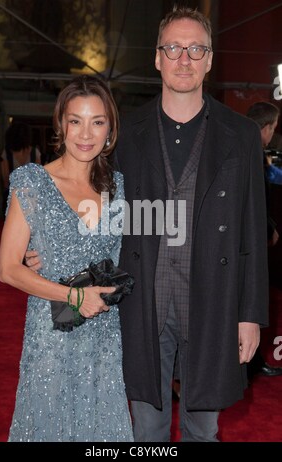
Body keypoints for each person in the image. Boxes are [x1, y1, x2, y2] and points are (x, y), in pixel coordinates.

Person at [26, 7, 269, 442]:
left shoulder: (242, 134)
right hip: (140, 303)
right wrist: (46, 247)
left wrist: (249, 316)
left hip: (213, 301)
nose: (184, 59)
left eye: (196, 49)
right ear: (157, 58)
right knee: (147, 431)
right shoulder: (125, 131)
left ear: (210, 59)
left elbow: (252, 231)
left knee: (204, 428)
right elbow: (90, 201)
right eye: (173, 48)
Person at [0, 75, 133, 442]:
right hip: (51, 337)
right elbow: (7, 269)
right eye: (76, 121)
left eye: (97, 122)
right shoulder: (31, 181)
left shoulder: (119, 187)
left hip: (103, 338)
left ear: (110, 130)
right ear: (61, 125)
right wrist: (74, 296)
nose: (85, 133)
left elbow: (126, 259)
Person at [246, 101, 282, 379]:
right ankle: (251, 364)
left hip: (243, 240)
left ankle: (252, 362)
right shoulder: (253, 154)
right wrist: (268, 230)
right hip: (250, 243)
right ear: (267, 127)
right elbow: (257, 203)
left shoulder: (242, 149)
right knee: (253, 303)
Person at [0, 122, 42, 214]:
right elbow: (38, 177)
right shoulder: (35, 152)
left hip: (13, 195)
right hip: (30, 197)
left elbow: (5, 178)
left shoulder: (7, 153)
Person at [246, 102, 282, 186]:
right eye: (273, 128)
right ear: (266, 128)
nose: (273, 132)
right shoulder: (255, 153)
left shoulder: (245, 146)